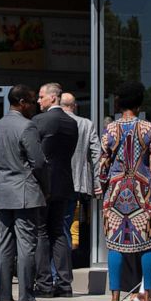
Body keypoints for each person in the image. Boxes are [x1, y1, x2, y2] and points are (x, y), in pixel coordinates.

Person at [99, 81, 151, 301]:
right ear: (140, 103)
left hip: (116, 194)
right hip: (144, 193)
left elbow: (102, 168)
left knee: (114, 245)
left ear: (119, 103)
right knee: (147, 245)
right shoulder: (149, 129)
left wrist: (104, 189)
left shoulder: (110, 130)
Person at [0, 84, 49, 301]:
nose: (34, 105)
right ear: (22, 101)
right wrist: (46, 188)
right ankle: (27, 298)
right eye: (32, 101)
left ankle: (3, 296)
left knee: (4, 243)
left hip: (4, 188)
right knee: (26, 244)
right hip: (25, 189)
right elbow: (39, 162)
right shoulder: (27, 126)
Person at [33, 82, 79, 298]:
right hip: (64, 182)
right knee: (59, 231)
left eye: (41, 96)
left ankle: (44, 282)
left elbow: (34, 153)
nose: (38, 100)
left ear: (52, 98)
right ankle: (64, 283)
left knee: (41, 231)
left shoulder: (40, 121)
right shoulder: (71, 123)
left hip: (43, 184)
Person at [60, 92, 100, 263]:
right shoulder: (86, 124)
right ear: (74, 106)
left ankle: (61, 266)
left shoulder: (53, 121)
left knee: (60, 225)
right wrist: (97, 182)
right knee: (73, 222)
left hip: (58, 183)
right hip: (79, 182)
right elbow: (97, 154)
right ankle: (71, 260)